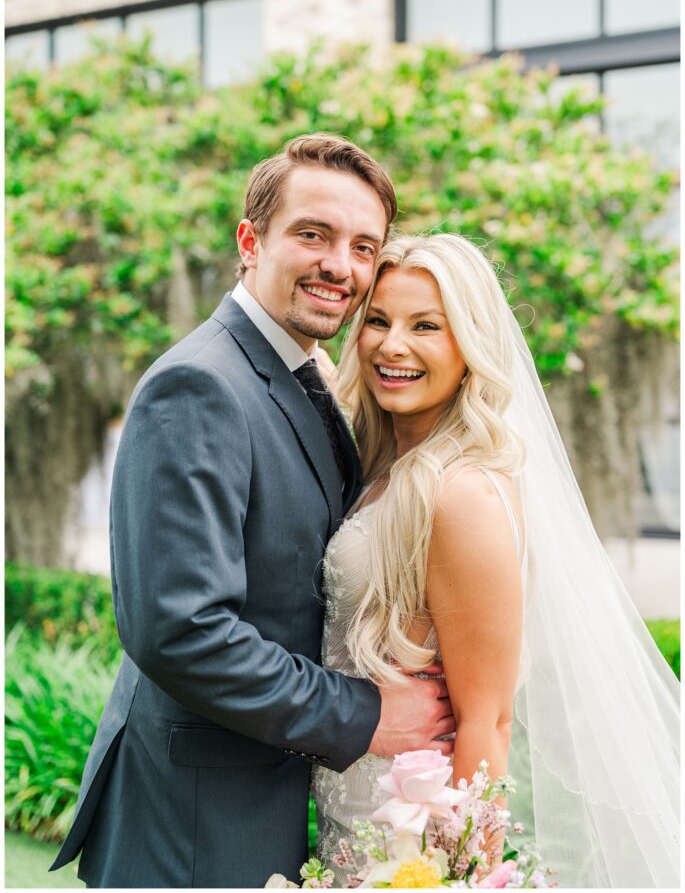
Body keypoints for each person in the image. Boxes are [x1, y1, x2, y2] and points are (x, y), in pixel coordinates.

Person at [50, 135, 455, 889]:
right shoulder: (199, 388)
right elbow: (181, 630)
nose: (342, 264)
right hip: (196, 824)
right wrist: (364, 714)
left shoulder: (297, 374)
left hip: (258, 800)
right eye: (313, 234)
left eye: (363, 246)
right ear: (250, 241)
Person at [311, 232, 680, 889]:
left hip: (409, 842)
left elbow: (488, 721)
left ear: (471, 345)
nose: (392, 345)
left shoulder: (463, 493)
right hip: (351, 812)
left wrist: (463, 876)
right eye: (377, 320)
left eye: (426, 325)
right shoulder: (384, 468)